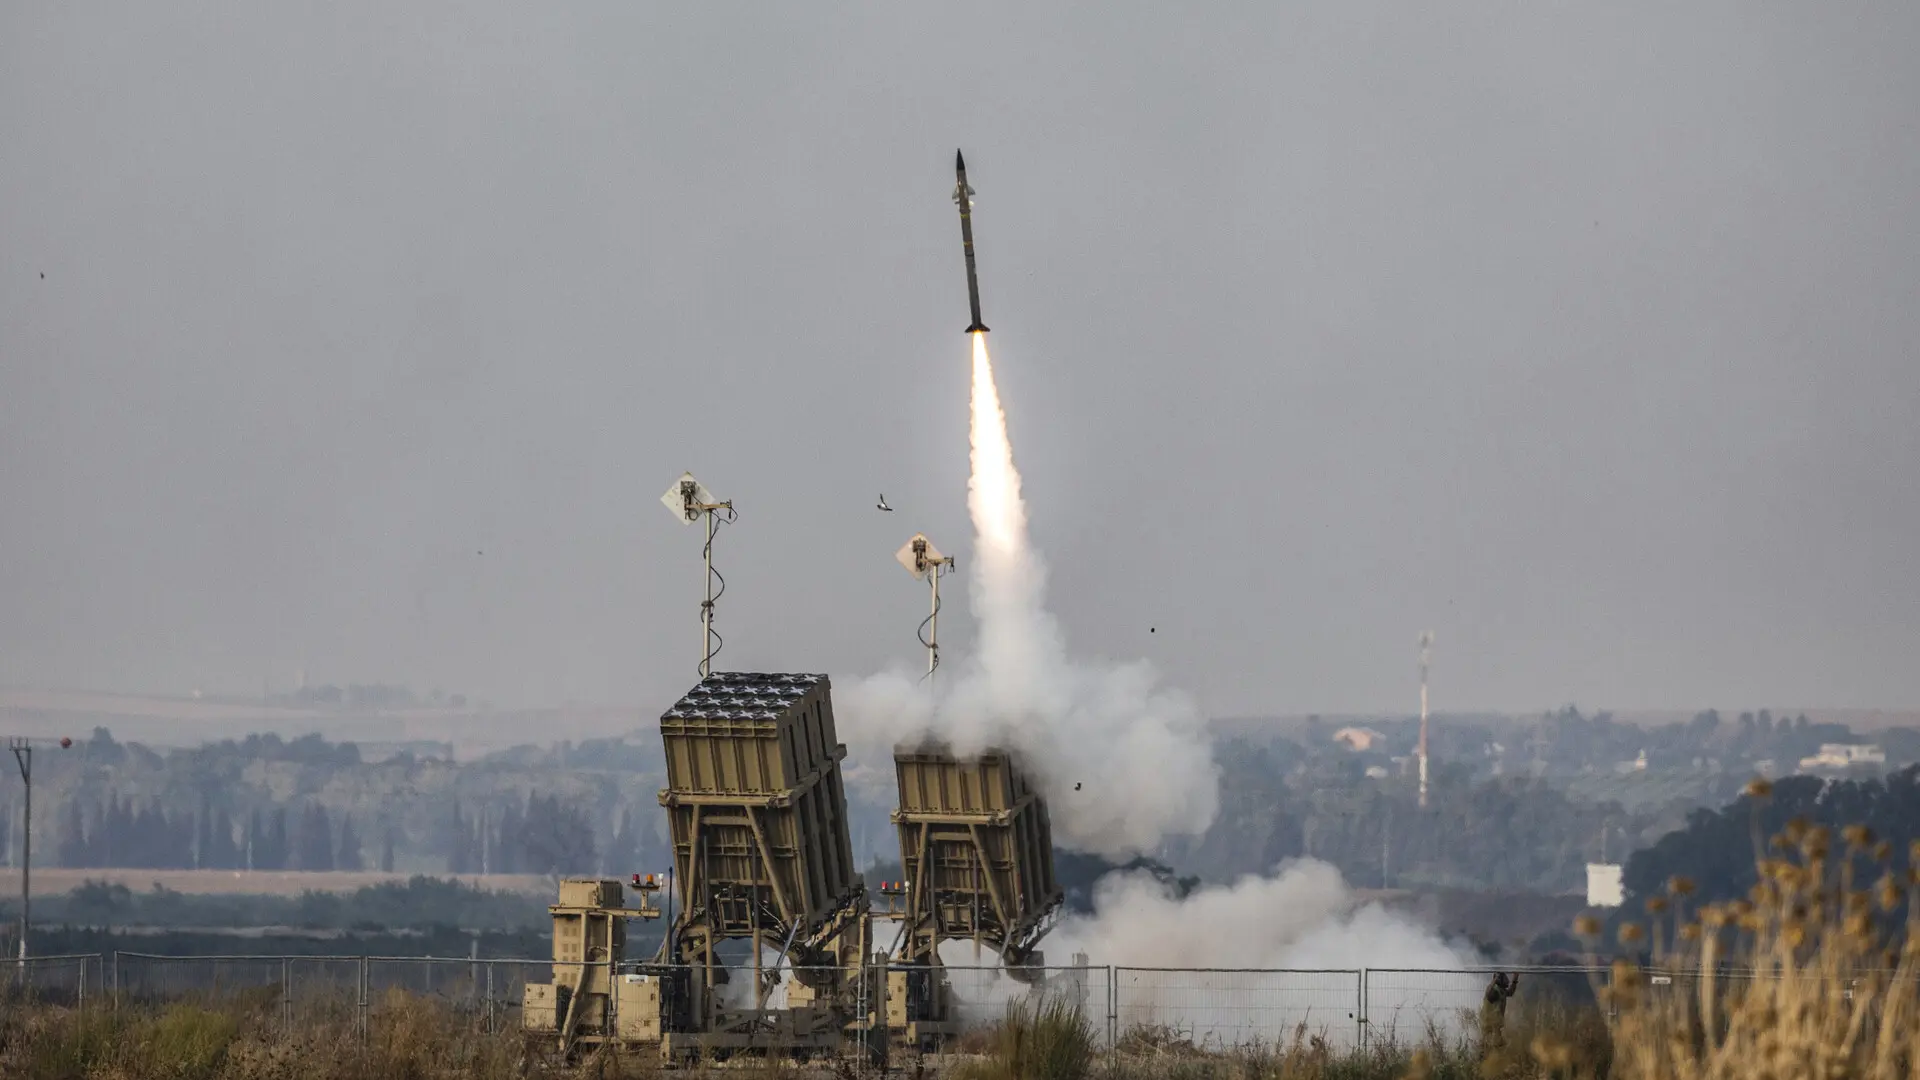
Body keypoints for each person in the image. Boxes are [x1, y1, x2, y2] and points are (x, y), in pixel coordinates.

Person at [1480, 972, 1520, 1056]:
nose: (1506, 980)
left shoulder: (1502, 990)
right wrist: (1494, 981)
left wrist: (1515, 979)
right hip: (1490, 1022)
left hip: (1496, 1022)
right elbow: (1489, 994)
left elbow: (1510, 992)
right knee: (1491, 1043)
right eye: (1504, 977)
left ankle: (1492, 1057)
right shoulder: (1494, 990)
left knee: (1497, 1044)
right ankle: (1487, 1058)